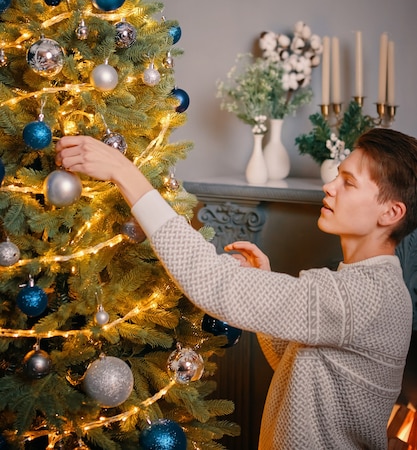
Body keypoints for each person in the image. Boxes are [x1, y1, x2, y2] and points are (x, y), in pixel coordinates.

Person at [55, 127, 417, 450]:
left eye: (348, 183)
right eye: (338, 176)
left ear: (391, 213)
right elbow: (296, 363)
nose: (330, 186)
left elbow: (211, 281)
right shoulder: (363, 285)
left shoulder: (362, 297)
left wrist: (124, 173)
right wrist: (265, 280)